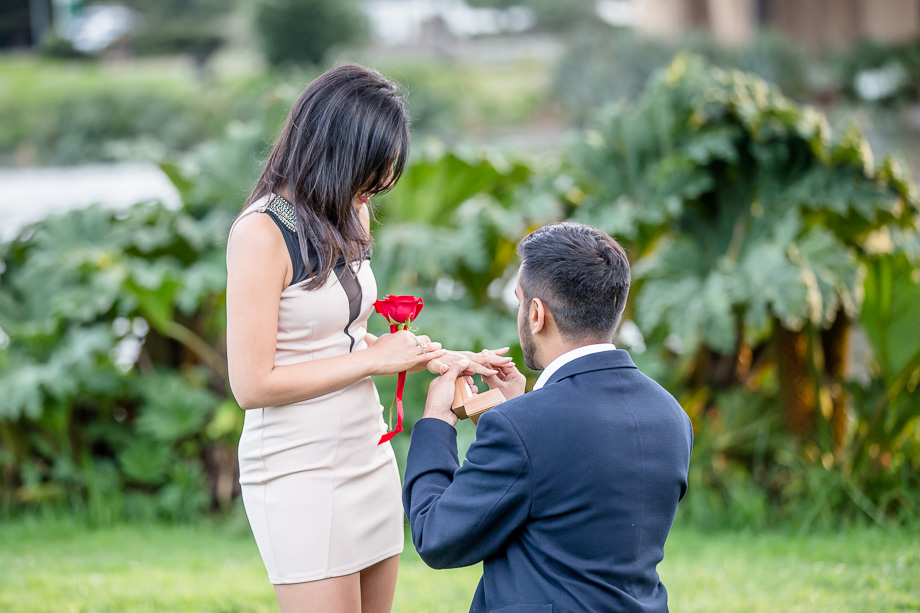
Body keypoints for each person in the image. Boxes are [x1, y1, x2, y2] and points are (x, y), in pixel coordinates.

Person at [225, 64, 510, 613]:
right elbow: (252, 385)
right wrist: (373, 363)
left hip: (366, 449)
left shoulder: (349, 212)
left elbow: (349, 335)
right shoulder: (261, 233)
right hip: (297, 466)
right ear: (335, 149)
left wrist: (435, 358)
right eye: (371, 168)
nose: (376, 186)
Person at [403, 222, 694, 613]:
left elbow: (437, 536)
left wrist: (436, 422)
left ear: (537, 314)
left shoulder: (522, 427)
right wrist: (520, 408)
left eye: (520, 300)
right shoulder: (670, 414)